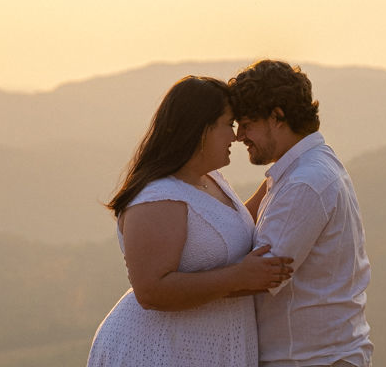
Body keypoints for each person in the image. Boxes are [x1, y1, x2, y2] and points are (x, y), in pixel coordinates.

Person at [87, 75, 294, 367]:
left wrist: (286, 170)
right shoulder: (158, 197)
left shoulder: (210, 180)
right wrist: (239, 276)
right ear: (201, 130)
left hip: (199, 348)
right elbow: (151, 290)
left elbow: (229, 229)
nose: (234, 137)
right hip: (156, 352)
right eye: (228, 124)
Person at [229, 60, 373, 367]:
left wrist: (166, 287)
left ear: (277, 116)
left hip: (313, 359)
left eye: (247, 123)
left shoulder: (305, 183)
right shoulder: (303, 169)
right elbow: (238, 223)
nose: (240, 135)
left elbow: (260, 277)